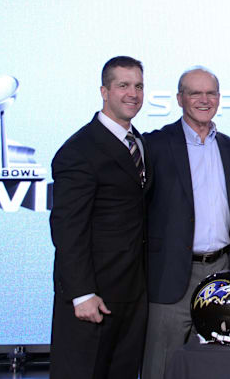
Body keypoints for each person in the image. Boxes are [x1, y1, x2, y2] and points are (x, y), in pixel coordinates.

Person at [49, 56, 150, 379]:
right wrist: (81, 293)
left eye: (138, 86)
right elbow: (67, 228)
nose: (132, 93)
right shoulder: (79, 150)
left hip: (133, 294)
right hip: (93, 296)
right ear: (104, 91)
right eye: (123, 85)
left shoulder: (141, 144)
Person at [142, 66, 230, 379]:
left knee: (213, 366)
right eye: (194, 93)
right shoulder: (156, 145)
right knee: (161, 366)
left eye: (210, 92)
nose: (204, 99)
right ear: (179, 98)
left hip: (220, 275)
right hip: (170, 275)